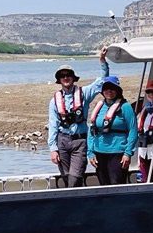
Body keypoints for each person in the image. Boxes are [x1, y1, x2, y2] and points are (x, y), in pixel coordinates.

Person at [47, 46, 109, 187]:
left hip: (80, 142)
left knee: (75, 178)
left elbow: (102, 81)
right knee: (67, 177)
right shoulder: (54, 101)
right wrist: (53, 149)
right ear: (59, 80)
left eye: (68, 75)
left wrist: (102, 61)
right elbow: (53, 125)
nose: (66, 78)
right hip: (62, 141)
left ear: (73, 78)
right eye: (62, 76)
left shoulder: (84, 93)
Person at [87, 76, 138, 185]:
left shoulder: (125, 107)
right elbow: (91, 131)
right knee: (103, 184)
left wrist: (128, 153)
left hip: (118, 153)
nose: (109, 91)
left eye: (112, 88)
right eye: (106, 88)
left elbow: (133, 131)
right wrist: (90, 152)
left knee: (116, 183)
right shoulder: (99, 106)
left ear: (117, 90)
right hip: (99, 153)